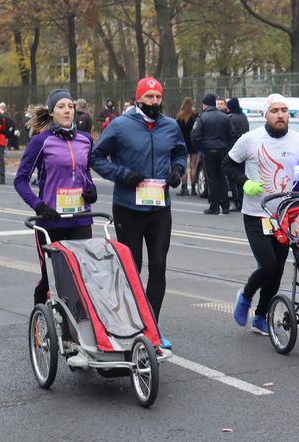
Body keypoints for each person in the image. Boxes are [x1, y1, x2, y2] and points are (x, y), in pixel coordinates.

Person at [90, 77, 187, 349]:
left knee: (158, 266)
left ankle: (152, 327)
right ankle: (129, 325)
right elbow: (96, 158)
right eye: (149, 97)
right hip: (128, 208)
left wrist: (177, 171)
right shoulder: (120, 126)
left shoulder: (170, 126)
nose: (154, 102)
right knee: (131, 268)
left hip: (159, 209)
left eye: (158, 97)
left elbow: (180, 152)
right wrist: (124, 175)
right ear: (138, 99)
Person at [222, 93, 299, 335]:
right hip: (255, 214)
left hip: (282, 216)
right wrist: (244, 182)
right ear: (265, 115)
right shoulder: (250, 139)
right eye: (275, 111)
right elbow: (227, 165)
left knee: (277, 271)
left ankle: (260, 317)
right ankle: (246, 295)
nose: (280, 115)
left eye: (284, 110)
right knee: (267, 266)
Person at [14, 89, 97, 305]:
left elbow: (83, 172)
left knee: (81, 274)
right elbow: (20, 180)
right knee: (53, 276)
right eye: (61, 107)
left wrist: (90, 189)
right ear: (52, 113)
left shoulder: (86, 140)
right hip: (52, 219)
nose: (67, 110)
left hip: (80, 217)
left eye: (70, 106)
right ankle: (41, 315)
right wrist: (38, 205)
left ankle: (75, 324)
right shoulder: (41, 141)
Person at [191, 93, 235, 214]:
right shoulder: (224, 117)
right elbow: (232, 134)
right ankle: (225, 205)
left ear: (205, 104)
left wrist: (199, 147)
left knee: (211, 178)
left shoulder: (202, 117)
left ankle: (214, 206)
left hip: (208, 151)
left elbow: (195, 136)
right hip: (222, 150)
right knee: (222, 177)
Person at [226, 97, 249, 211]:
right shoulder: (243, 117)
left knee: (234, 178)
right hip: (245, 151)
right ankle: (242, 200)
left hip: (234, 151)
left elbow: (228, 134)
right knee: (242, 175)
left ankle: (237, 202)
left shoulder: (230, 118)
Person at [175, 96, 198, 196]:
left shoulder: (180, 116)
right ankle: (193, 189)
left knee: (183, 167)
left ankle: (184, 188)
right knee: (193, 166)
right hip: (193, 143)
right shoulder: (195, 116)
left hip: (183, 143)